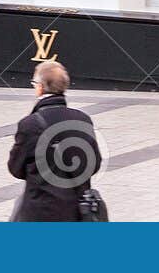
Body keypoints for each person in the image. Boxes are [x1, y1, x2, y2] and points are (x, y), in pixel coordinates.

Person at [7, 60, 102, 222]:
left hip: (40, 209)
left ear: (40, 88)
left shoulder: (30, 124)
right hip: (76, 210)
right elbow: (94, 163)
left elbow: (16, 168)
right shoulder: (83, 120)